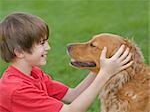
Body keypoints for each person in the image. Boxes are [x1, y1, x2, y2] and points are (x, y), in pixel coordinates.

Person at [0, 12, 133, 112]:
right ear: (19, 52)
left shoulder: (33, 74)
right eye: (41, 43)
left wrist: (98, 68)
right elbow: (70, 110)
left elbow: (72, 95)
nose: (48, 47)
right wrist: (105, 74)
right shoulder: (16, 89)